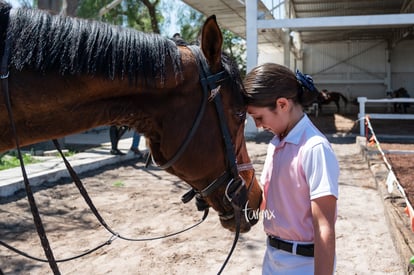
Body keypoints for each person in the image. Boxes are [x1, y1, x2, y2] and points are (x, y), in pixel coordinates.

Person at [243, 63, 339, 275]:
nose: (258, 125)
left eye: (259, 117)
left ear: (282, 104)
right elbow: (271, 206)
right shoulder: (275, 144)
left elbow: (324, 227)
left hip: (303, 264)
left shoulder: (315, 148)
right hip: (272, 257)